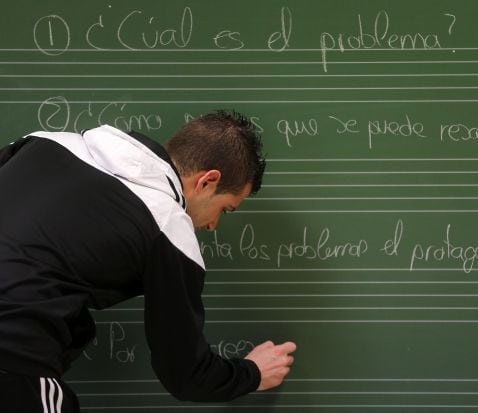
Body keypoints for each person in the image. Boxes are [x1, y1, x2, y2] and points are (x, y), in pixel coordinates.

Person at [0, 110, 297, 412]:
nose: (213, 225)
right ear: (208, 181)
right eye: (225, 209)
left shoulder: (41, 143)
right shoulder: (167, 222)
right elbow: (186, 374)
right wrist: (253, 373)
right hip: (15, 358)